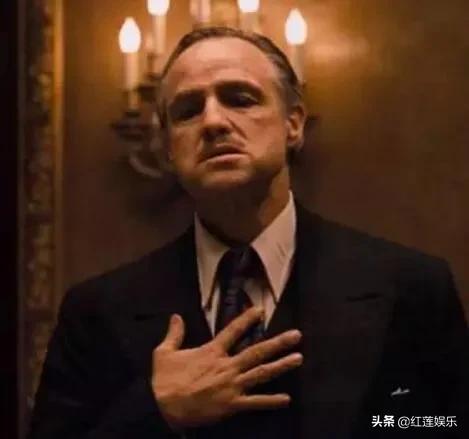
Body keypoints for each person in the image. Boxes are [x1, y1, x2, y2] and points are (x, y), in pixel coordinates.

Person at [28, 27, 469, 438]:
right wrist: (155, 410)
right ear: (168, 147)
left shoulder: (410, 286)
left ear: (293, 123)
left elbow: (445, 421)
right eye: (188, 111)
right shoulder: (97, 310)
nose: (213, 122)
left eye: (240, 99)